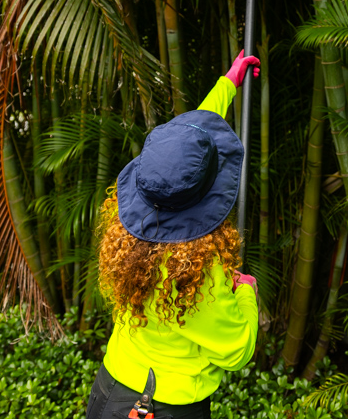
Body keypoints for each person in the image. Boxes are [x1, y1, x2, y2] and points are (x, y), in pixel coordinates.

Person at [86, 50, 262, 419]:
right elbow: (236, 350)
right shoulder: (197, 272)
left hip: (109, 387)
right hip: (160, 407)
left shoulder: (126, 230)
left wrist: (227, 84)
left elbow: (184, 149)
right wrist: (246, 290)